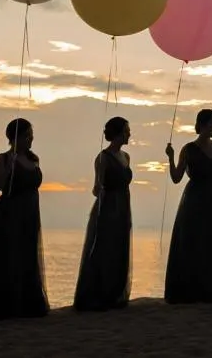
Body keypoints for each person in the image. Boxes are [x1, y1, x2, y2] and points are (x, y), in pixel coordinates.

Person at [0, 118, 50, 321]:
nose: (31, 140)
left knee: (27, 254)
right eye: (27, 136)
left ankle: (26, 302)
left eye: (31, 136)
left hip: (30, 213)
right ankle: (6, 305)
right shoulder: (2, 159)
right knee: (8, 255)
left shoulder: (34, 159)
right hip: (9, 212)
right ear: (15, 137)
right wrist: (8, 169)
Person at [164, 108, 212, 304]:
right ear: (203, 125)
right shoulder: (188, 149)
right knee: (193, 242)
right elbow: (176, 177)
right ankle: (191, 289)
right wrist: (170, 157)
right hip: (193, 200)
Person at [74, 116, 133, 311]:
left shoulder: (126, 157)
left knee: (120, 247)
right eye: (127, 131)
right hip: (108, 207)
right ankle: (99, 294)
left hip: (123, 206)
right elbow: (96, 188)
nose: (129, 134)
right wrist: (98, 187)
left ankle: (115, 293)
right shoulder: (103, 158)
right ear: (118, 133)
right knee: (105, 248)